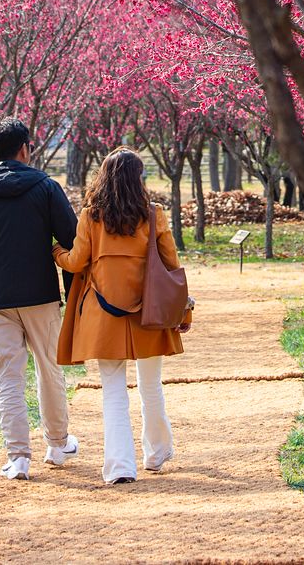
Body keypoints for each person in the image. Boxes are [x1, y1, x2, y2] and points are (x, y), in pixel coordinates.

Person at [0, 117, 80, 481]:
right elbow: (72, 241)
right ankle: (57, 444)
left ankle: (18, 456)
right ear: (25, 149)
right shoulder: (46, 187)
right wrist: (72, 292)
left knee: (6, 378)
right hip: (41, 295)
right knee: (49, 369)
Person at [54, 147, 190, 485]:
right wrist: (185, 308)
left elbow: (76, 262)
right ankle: (157, 453)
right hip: (150, 312)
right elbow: (172, 266)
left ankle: (119, 468)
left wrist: (56, 251)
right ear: (138, 178)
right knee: (151, 385)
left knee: (113, 390)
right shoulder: (154, 215)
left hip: (104, 316)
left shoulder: (92, 216)